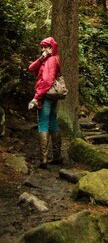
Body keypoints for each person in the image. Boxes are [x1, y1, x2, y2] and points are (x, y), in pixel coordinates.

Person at [28, 37, 64, 169]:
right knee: (53, 121)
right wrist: (41, 58)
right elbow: (31, 68)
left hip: (45, 95)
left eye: (46, 47)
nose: (43, 49)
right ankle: (57, 156)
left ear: (52, 48)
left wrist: (36, 98)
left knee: (43, 123)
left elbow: (47, 81)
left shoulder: (51, 61)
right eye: (42, 47)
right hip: (51, 96)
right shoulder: (49, 59)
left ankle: (44, 159)